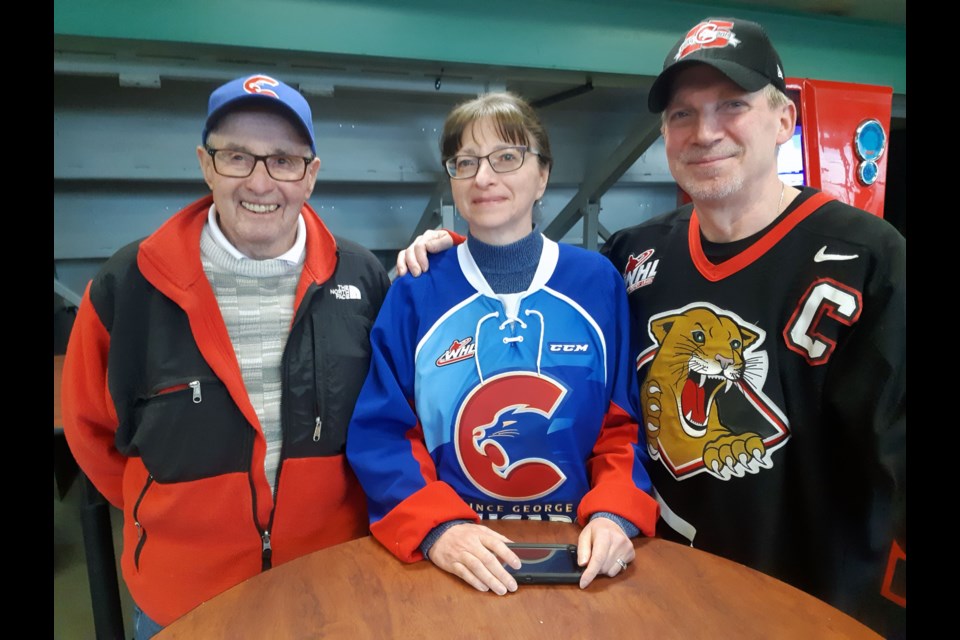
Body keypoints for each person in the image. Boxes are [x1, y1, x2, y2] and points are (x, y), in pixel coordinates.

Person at [397, 18, 905, 636]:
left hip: (807, 601)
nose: (705, 132)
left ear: (783, 120)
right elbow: (554, 306)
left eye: (731, 106)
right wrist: (455, 254)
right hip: (656, 582)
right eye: (682, 115)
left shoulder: (873, 258)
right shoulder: (633, 259)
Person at [61, 73, 390, 638]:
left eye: (284, 160)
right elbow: (90, 431)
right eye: (238, 156)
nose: (261, 183)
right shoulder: (129, 285)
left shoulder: (362, 279)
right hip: (184, 603)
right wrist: (173, 511)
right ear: (206, 164)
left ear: (310, 176)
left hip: (332, 588)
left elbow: (391, 414)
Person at [346, 92, 659, 597]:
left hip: (578, 551)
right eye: (464, 162)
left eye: (506, 158)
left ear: (542, 175)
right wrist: (438, 528)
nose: (483, 178)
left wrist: (614, 513)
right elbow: (383, 432)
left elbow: (622, 426)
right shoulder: (417, 287)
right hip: (455, 557)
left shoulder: (595, 282)